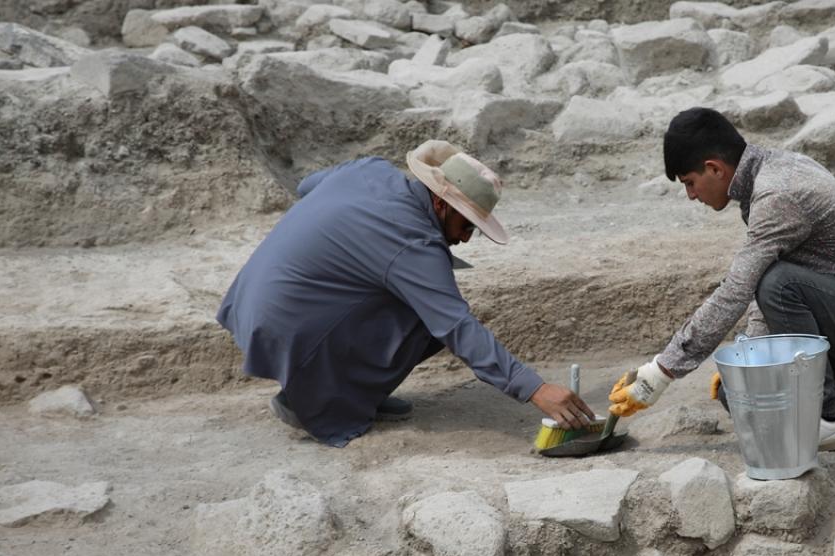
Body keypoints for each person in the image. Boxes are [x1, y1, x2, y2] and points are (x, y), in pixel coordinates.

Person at [216, 140, 595, 447]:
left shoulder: (370, 170)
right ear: (439, 202)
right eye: (466, 224)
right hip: (283, 327)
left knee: (408, 301)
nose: (465, 238)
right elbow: (456, 326)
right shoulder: (412, 243)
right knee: (425, 318)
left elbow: (306, 187)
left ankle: (353, 392)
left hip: (250, 300)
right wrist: (536, 389)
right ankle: (309, 404)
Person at [608, 108, 835, 450]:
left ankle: (825, 418)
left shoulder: (779, 194)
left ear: (715, 169)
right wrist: (751, 351)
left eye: (690, 182)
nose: (691, 195)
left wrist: (660, 372)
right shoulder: (771, 172)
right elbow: (768, 277)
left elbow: (741, 290)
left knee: (778, 284)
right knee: (739, 394)